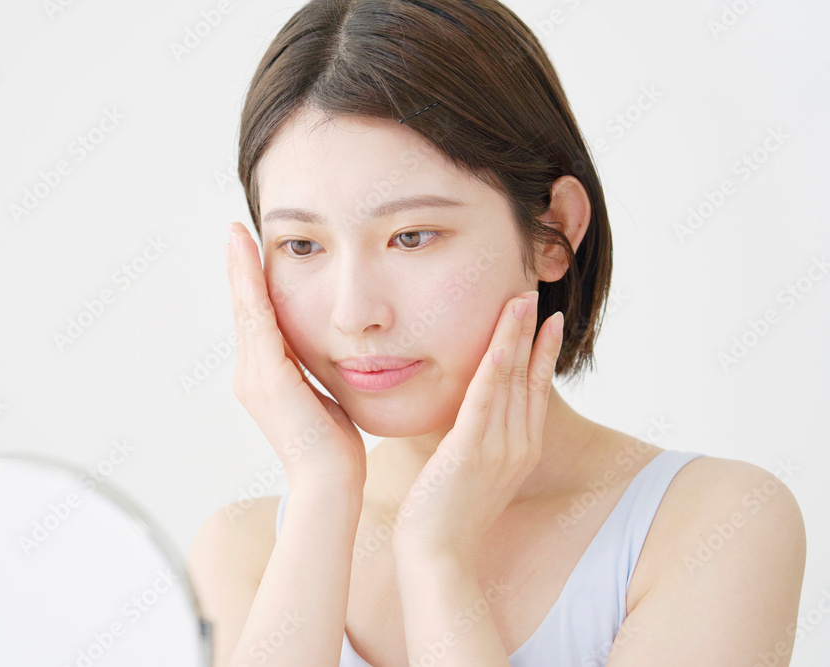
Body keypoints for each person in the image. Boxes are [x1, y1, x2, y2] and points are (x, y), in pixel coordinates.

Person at [188, 1, 807, 665]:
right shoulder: (247, 551)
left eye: (412, 236)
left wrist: (438, 558)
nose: (354, 313)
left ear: (553, 231)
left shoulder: (713, 523)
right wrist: (322, 489)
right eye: (302, 245)